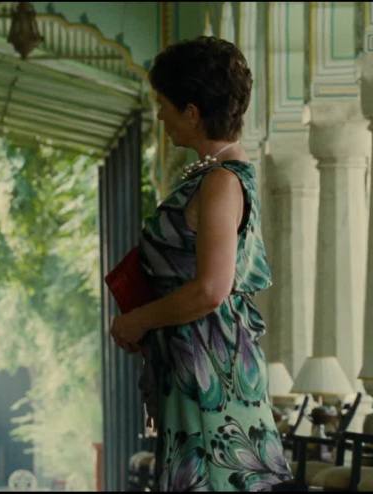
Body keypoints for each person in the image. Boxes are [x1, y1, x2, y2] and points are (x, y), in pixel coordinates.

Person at [109, 36, 293, 491]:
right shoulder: (216, 176)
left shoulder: (221, 182)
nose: (160, 116)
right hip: (196, 365)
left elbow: (211, 289)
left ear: (191, 112)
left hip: (209, 370)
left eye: (164, 105)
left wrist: (137, 320)